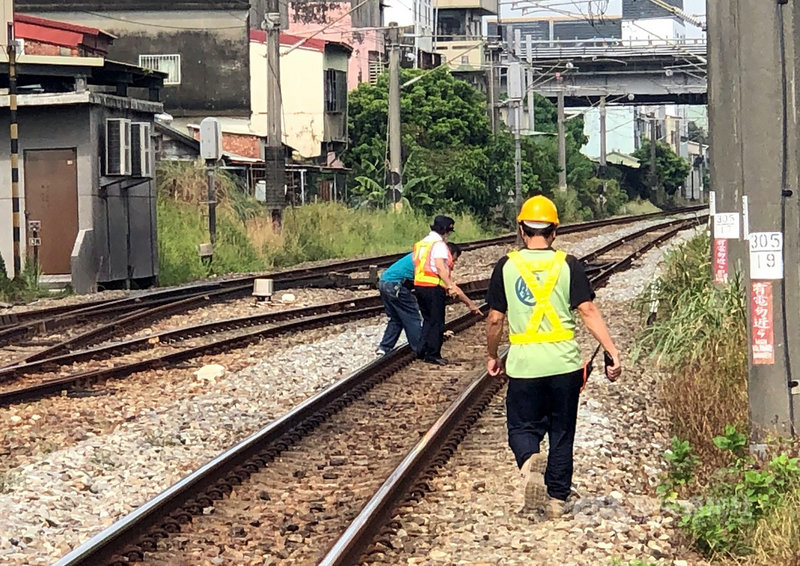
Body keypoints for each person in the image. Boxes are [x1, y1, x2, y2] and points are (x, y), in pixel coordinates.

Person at [484, 195, 622, 520]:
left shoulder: (506, 266)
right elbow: (588, 310)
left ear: (521, 229)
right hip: (564, 365)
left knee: (521, 428)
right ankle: (558, 499)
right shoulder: (568, 264)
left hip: (524, 365)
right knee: (562, 431)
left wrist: (492, 355)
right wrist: (613, 352)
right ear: (554, 231)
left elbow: (494, 319)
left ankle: (530, 462)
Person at [412, 215, 458, 365]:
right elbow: (439, 267)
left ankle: (421, 349)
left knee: (427, 319)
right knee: (437, 321)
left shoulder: (421, 244)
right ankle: (433, 353)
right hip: (433, 286)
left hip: (419, 284)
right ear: (445, 230)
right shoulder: (438, 245)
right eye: (449, 232)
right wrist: (449, 285)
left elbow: (415, 262)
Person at [375, 252, 422, 356]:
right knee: (412, 317)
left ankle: (384, 347)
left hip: (384, 281)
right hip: (397, 285)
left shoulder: (418, 253)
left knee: (396, 318)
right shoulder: (429, 257)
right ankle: (419, 348)